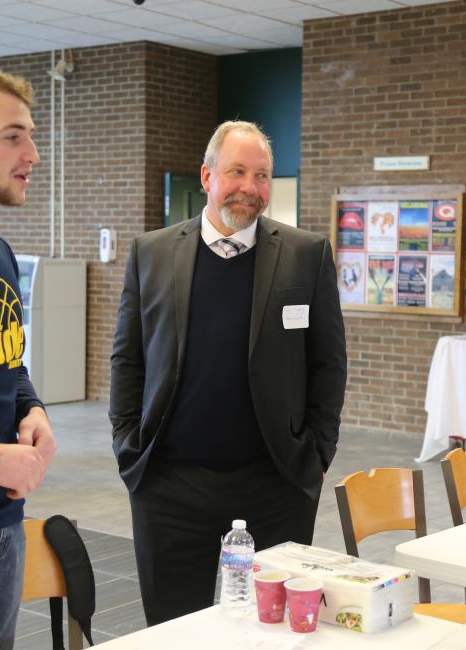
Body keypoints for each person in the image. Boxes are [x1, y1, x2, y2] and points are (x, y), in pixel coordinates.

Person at [109, 120, 347, 626]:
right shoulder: (150, 253)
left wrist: (317, 454)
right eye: (236, 171)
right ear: (207, 176)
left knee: (272, 628)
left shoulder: (306, 255)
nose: (250, 187)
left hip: (276, 484)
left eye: (262, 176)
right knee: (174, 629)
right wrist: (129, 446)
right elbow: (128, 358)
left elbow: (329, 364)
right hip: (170, 486)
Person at [0, 67, 56, 650]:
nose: (32, 153)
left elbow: (8, 364)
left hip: (3, 525)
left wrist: (34, 409)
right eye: (12, 136)